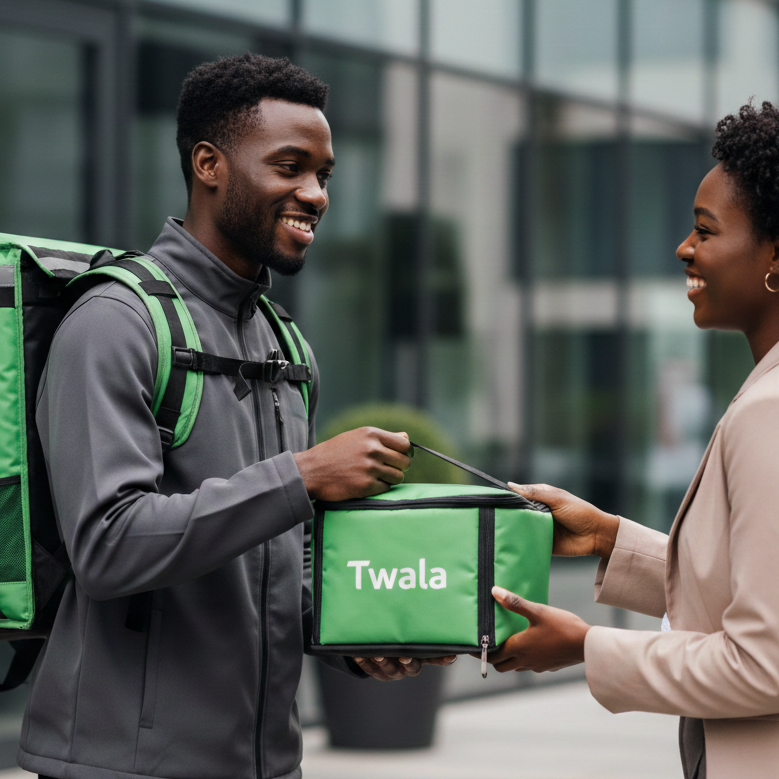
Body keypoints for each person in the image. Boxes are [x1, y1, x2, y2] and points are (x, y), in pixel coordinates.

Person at [19, 54, 453, 779]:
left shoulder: (284, 343)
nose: (314, 194)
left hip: (264, 763)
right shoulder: (114, 323)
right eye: (289, 166)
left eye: (323, 175)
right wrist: (305, 475)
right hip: (118, 766)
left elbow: (267, 562)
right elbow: (107, 545)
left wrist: (344, 631)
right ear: (209, 164)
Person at [487, 101, 779, 779]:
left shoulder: (769, 410)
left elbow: (765, 663)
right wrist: (604, 537)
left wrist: (586, 647)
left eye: (704, 231)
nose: (683, 247)